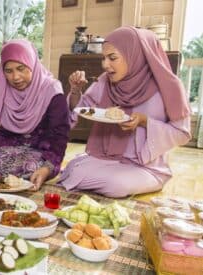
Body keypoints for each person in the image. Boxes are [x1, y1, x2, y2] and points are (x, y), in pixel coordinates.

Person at [59, 26, 191, 198]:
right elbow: (80, 110)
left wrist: (145, 122)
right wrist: (75, 90)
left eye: (112, 58)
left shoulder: (168, 86)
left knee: (117, 185)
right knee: (72, 169)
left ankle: (108, 181)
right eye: (104, 58)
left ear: (135, 54)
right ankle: (100, 178)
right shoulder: (105, 82)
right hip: (108, 159)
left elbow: (182, 133)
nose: (105, 65)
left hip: (145, 166)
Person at [0, 39, 70, 190]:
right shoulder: (1, 88)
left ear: (32, 64)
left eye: (21, 68)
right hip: (3, 147)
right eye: (8, 71)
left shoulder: (51, 90)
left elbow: (59, 136)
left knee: (30, 168)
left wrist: (46, 168)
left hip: (37, 151)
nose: (15, 77)